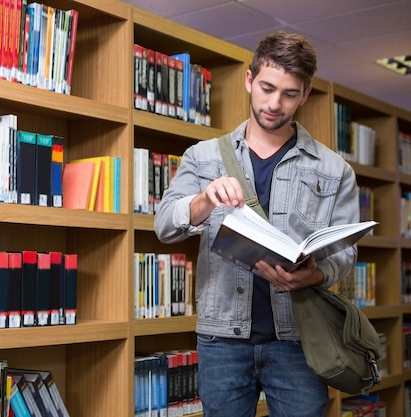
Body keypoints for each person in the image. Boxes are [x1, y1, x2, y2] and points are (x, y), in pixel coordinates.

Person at [154, 31, 359, 417]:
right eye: (266, 88)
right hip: (222, 340)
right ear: (249, 80)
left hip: (299, 340)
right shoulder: (203, 157)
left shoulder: (335, 170)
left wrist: (313, 277)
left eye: (289, 94)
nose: (274, 103)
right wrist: (202, 200)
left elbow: (345, 252)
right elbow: (164, 226)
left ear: (306, 94)